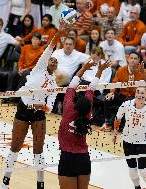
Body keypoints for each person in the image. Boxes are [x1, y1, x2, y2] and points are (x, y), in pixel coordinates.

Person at [0, 24, 64, 189]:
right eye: (51, 59)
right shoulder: (39, 68)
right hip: (23, 109)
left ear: (57, 66)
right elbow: (50, 47)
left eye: (56, 61)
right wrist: (60, 31)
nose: (53, 61)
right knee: (15, 147)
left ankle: (40, 184)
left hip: (38, 115)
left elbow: (49, 106)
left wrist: (42, 106)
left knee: (38, 150)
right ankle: (5, 182)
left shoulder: (54, 83)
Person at [58, 55, 110, 189]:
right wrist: (100, 71)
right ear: (89, 108)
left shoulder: (68, 110)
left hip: (67, 159)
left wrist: (84, 68)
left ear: (74, 103)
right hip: (83, 160)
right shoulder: (87, 115)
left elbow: (71, 87)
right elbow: (92, 89)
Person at [113, 86, 146, 189]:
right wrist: (115, 133)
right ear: (135, 94)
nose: (140, 94)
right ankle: (137, 187)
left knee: (143, 169)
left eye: (143, 93)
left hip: (142, 142)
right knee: (132, 169)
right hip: (127, 140)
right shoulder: (126, 104)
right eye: (138, 92)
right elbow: (118, 118)